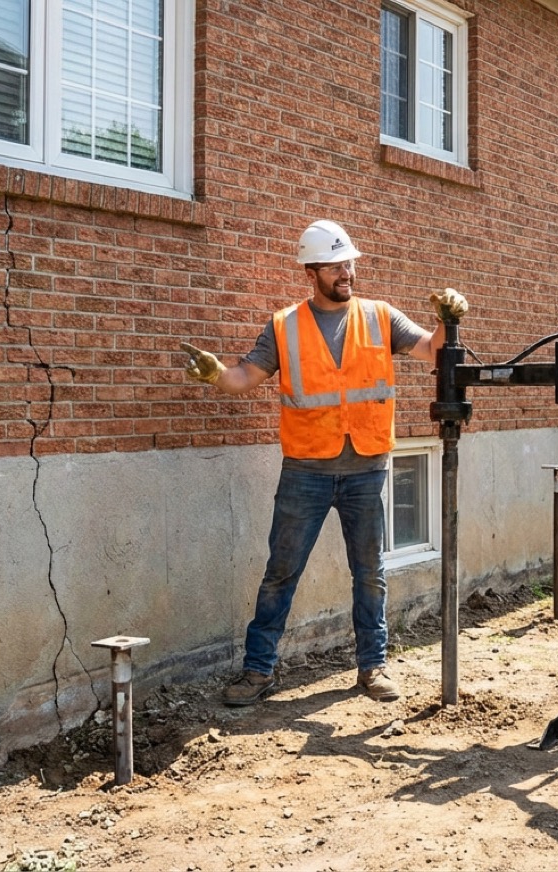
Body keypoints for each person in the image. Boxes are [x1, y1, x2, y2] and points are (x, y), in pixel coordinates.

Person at [179, 219, 469, 706]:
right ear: (311, 271)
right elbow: (246, 376)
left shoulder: (380, 316)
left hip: (367, 467)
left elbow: (434, 351)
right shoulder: (284, 325)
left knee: (370, 572)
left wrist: (448, 319)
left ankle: (372, 667)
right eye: (336, 265)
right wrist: (216, 375)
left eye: (349, 262)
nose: (346, 272)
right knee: (281, 572)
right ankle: (258, 671)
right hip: (306, 470)